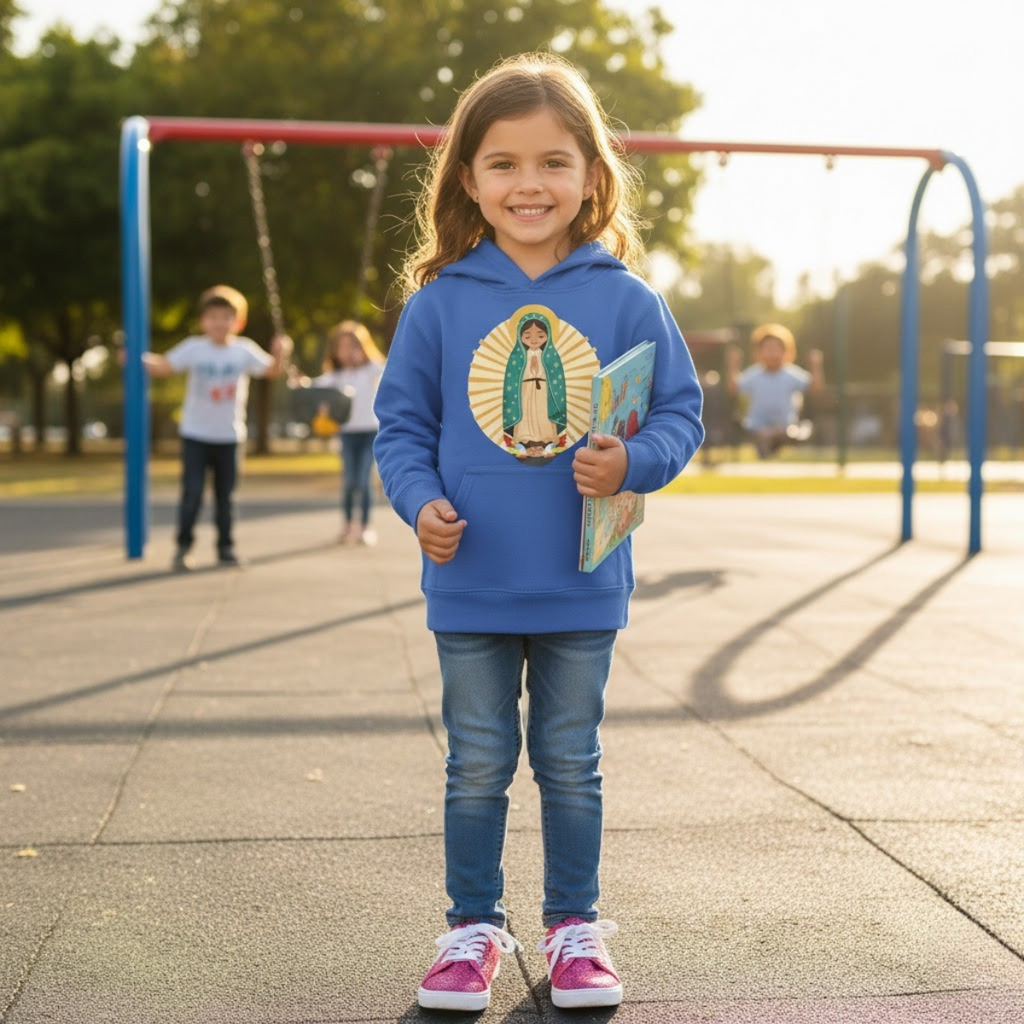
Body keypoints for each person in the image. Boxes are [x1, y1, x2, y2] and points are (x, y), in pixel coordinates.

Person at [373, 52, 704, 1012]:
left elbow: (679, 414)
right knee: (477, 760)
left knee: (570, 759)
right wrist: (419, 502)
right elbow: (401, 429)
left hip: (581, 576)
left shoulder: (627, 298)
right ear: (469, 179)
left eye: (554, 162)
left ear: (592, 176)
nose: (530, 184)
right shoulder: (439, 305)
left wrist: (632, 464)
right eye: (505, 164)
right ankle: (472, 926)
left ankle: (573, 929)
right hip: (471, 577)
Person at [137, 285, 292, 570]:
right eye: (213, 316)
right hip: (195, 434)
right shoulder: (194, 348)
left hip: (229, 436)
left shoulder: (243, 350)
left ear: (238, 321)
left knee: (226, 497)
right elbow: (163, 366)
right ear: (203, 321)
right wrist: (136, 357)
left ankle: (225, 549)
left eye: (226, 316)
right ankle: (183, 548)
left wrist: (281, 352)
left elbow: (272, 371)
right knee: (192, 493)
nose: (219, 323)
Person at [310, 320, 385, 545]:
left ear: (365, 347)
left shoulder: (372, 369)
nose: (349, 353)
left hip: (369, 432)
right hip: (347, 433)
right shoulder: (336, 376)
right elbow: (315, 387)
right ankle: (347, 526)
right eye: (342, 347)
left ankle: (365, 527)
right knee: (349, 481)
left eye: (354, 347)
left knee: (364, 480)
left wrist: (364, 358)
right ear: (335, 351)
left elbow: (392, 368)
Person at [726, 322, 824, 458]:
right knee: (759, 430)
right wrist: (732, 365)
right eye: (768, 348)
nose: (772, 353)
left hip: (784, 426)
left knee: (789, 431)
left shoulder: (791, 374)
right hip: (757, 425)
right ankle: (767, 442)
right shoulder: (755, 374)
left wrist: (815, 366)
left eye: (776, 348)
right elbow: (734, 389)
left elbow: (814, 388)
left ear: (786, 351)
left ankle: (770, 443)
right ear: (759, 352)